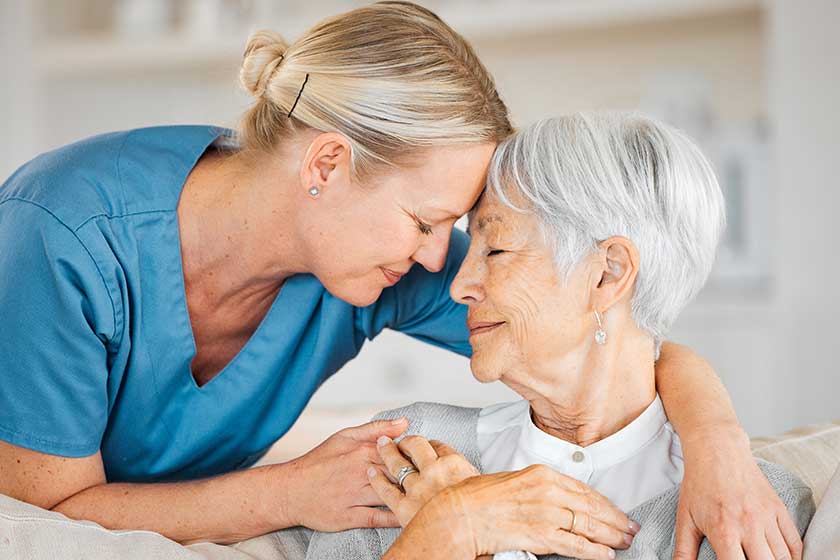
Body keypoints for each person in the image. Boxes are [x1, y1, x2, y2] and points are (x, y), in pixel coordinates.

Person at [0, 2, 800, 556]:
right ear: (327, 162)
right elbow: (43, 521)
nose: (437, 263)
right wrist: (292, 494)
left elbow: (614, 339)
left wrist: (719, 449)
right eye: (426, 224)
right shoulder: (62, 235)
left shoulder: (371, 263)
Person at [301, 114, 813, 560]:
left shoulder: (747, 510)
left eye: (495, 249)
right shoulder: (410, 455)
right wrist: (446, 530)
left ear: (608, 274)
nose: (457, 285)